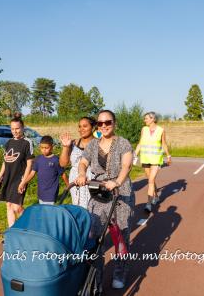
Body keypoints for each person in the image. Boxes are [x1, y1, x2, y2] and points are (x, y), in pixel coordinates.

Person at [76, 110, 134, 290]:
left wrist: (116, 181)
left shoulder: (123, 143)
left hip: (120, 193)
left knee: (120, 236)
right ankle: (96, 277)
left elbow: (127, 165)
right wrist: (81, 174)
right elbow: (83, 162)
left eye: (107, 122)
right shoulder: (93, 145)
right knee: (93, 236)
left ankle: (120, 272)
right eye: (100, 123)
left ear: (114, 123)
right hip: (99, 193)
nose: (104, 126)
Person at [0, 117, 34, 227]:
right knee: (9, 205)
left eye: (17, 128)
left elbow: (30, 164)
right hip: (8, 178)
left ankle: (29, 224)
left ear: (23, 128)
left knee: (17, 207)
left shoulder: (27, 143)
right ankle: (12, 232)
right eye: (12, 129)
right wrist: (0, 176)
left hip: (19, 179)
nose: (15, 131)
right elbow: (5, 161)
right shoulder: (9, 142)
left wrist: (24, 182)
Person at [134, 111, 171, 212]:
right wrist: (134, 155)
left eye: (146, 118)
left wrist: (168, 155)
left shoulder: (161, 130)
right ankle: (156, 196)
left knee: (150, 181)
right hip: (145, 158)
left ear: (153, 119)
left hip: (156, 159)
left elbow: (164, 144)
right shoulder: (144, 129)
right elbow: (140, 143)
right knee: (151, 179)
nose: (144, 120)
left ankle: (148, 204)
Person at [18, 135, 69, 205]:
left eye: (46, 148)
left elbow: (63, 174)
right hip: (41, 192)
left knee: (49, 211)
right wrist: (23, 183)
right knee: (43, 210)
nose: (44, 150)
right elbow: (32, 173)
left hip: (51, 192)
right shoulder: (38, 159)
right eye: (42, 147)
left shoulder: (56, 160)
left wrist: (68, 186)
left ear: (52, 147)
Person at [59, 116, 96, 208]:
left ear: (93, 127)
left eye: (85, 126)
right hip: (75, 179)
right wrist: (65, 147)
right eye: (79, 126)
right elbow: (63, 164)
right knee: (77, 205)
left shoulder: (98, 143)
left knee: (94, 206)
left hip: (93, 178)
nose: (81, 129)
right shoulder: (73, 143)